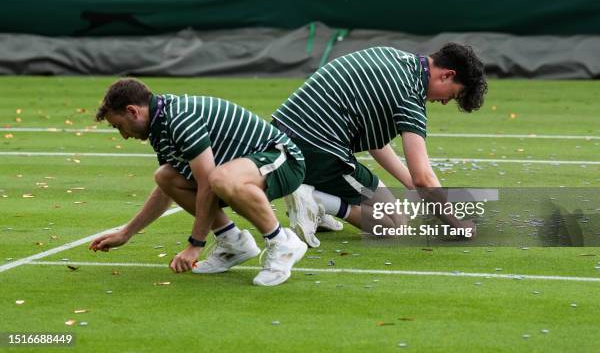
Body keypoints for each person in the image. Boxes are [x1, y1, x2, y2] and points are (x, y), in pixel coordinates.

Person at [89, 79, 310, 287]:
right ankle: (233, 244)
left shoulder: (179, 117)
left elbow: (206, 183)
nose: (124, 135)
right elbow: (167, 191)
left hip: (284, 161)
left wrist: (195, 245)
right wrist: (126, 233)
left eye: (119, 126)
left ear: (132, 111)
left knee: (219, 178)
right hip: (246, 168)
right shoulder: (159, 127)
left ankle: (282, 243)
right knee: (165, 176)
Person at [272, 44, 486, 246]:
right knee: (395, 224)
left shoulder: (393, 56)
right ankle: (316, 201)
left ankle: (317, 200)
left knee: (382, 202)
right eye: (453, 94)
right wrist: (456, 225)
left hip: (282, 135)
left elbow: (377, 144)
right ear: (447, 75)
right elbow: (424, 177)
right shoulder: (410, 97)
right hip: (314, 151)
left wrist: (411, 184)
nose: (446, 101)